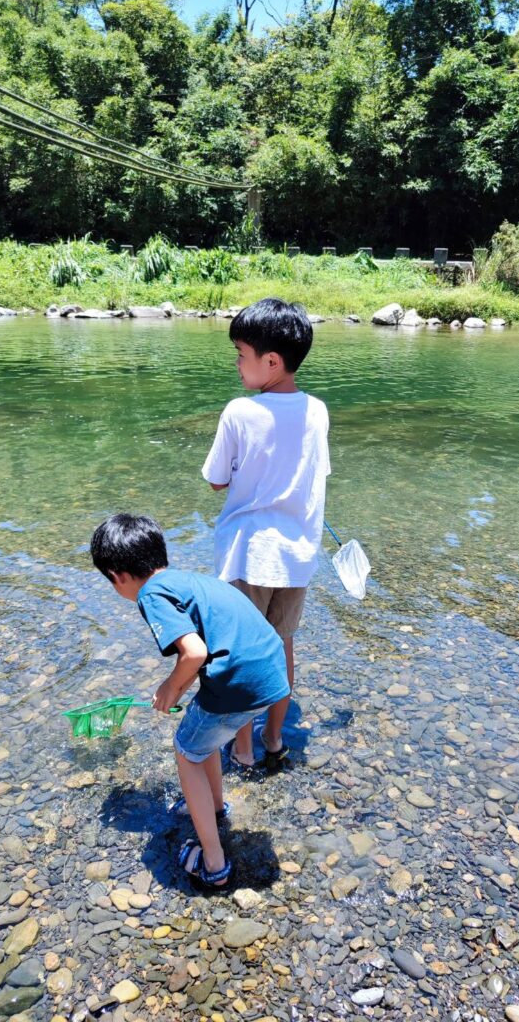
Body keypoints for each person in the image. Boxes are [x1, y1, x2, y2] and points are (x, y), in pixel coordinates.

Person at [90, 513, 290, 888]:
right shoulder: (188, 580)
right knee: (203, 740)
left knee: (185, 749)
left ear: (117, 575)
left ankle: (213, 865)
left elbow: (194, 652)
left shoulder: (150, 594)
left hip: (240, 684)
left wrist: (171, 688)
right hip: (272, 673)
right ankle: (215, 807)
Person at [202, 298, 330, 768]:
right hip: (296, 559)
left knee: (238, 655)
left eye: (241, 354)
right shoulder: (317, 410)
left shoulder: (239, 412)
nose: (237, 365)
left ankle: (240, 747)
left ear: (271, 362)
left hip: (247, 556)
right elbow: (317, 475)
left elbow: (217, 479)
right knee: (282, 645)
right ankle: (274, 739)